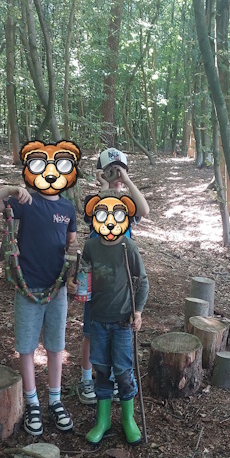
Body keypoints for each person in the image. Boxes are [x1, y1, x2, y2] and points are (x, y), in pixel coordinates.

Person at [0, 140, 81, 436]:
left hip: (57, 289)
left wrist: (74, 270)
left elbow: (72, 244)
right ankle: (32, 401)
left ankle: (55, 400)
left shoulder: (67, 207)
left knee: (56, 347)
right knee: (26, 347)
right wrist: (10, 190)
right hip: (28, 288)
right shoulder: (25, 202)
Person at [68, 193, 149, 445]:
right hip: (98, 320)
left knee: (123, 372)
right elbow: (81, 276)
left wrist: (138, 312)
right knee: (102, 371)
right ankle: (102, 420)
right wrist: (73, 283)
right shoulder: (91, 247)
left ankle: (128, 419)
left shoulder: (128, 247)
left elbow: (142, 281)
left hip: (123, 321)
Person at [76, 148, 150, 405]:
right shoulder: (95, 200)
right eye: (111, 170)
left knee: (121, 329)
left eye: (120, 170)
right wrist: (104, 186)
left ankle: (120, 377)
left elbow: (145, 210)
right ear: (101, 172)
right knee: (91, 331)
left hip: (121, 276)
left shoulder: (127, 204)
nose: (116, 175)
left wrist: (126, 182)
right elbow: (91, 215)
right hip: (97, 277)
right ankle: (87, 378)